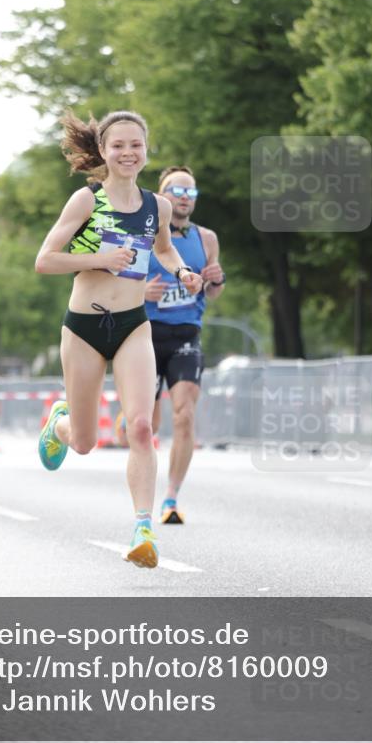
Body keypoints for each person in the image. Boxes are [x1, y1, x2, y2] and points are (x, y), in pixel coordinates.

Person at [35, 112, 203, 568]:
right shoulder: (86, 200)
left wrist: (183, 272)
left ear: (146, 150)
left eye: (136, 145)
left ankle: (143, 528)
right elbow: (45, 260)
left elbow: (163, 248)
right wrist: (99, 259)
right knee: (84, 443)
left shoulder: (157, 207)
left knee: (141, 426)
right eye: (119, 146)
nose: (128, 153)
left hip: (133, 325)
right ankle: (59, 424)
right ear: (104, 152)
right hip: (85, 328)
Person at [144, 167, 225, 525]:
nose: (184, 197)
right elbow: (115, 282)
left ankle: (171, 498)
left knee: (185, 414)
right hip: (144, 335)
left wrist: (216, 280)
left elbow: (213, 291)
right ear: (162, 196)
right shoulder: (143, 233)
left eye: (190, 192)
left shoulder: (207, 238)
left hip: (186, 335)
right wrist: (141, 292)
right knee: (145, 424)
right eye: (177, 191)